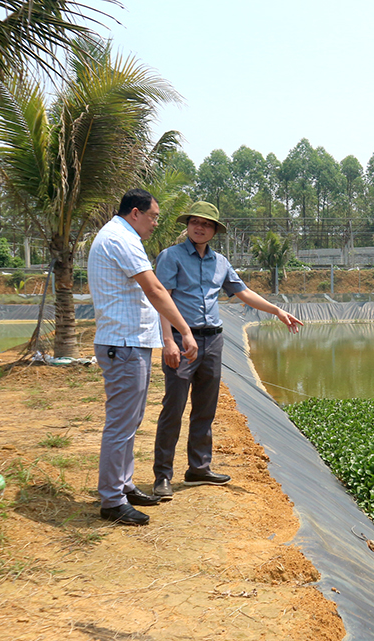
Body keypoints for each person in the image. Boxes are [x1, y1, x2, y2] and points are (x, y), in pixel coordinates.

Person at [152, 201, 302, 500]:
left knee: (205, 407)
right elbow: (162, 300)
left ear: (214, 231)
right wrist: (168, 341)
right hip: (184, 341)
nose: (199, 227)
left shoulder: (220, 262)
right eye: (195, 221)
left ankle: (198, 468)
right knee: (174, 407)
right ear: (188, 225)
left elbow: (242, 292)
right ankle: (162, 476)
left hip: (213, 341)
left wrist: (277, 311)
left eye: (206, 224)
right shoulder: (171, 257)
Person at [88, 188, 199, 526]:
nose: (155, 223)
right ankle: (111, 499)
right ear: (135, 213)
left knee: (130, 421)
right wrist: (185, 330)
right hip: (122, 345)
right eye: (153, 216)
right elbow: (154, 289)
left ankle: (123, 485)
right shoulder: (121, 239)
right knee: (121, 424)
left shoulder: (119, 236)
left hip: (128, 344)